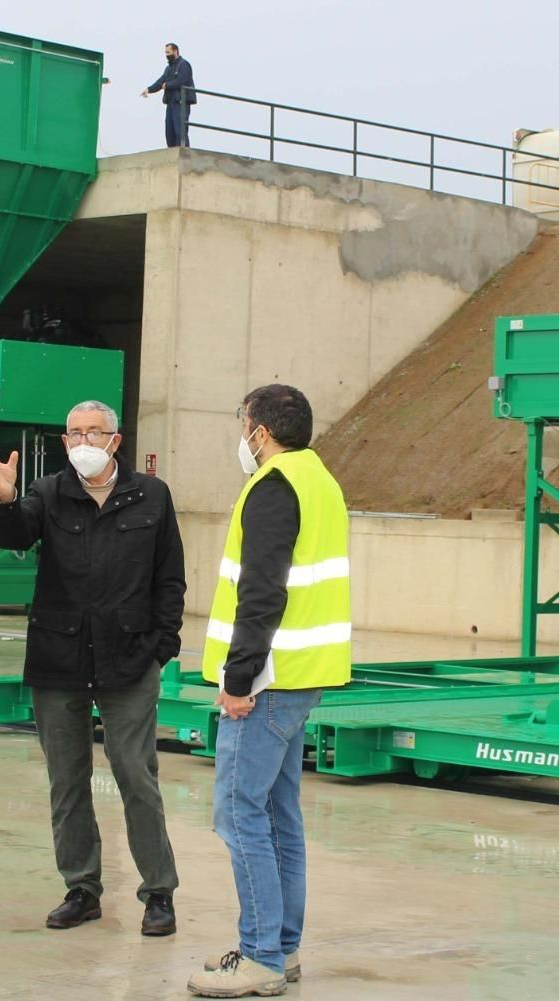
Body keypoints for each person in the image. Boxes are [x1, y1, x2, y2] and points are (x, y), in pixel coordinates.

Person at [0, 400, 185, 937]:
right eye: (74, 433)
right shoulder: (49, 493)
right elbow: (14, 535)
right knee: (66, 780)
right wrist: (3, 496)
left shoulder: (152, 495)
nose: (84, 441)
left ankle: (158, 892)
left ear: (116, 440)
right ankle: (81, 888)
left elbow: (171, 578)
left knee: (136, 775)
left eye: (95, 432)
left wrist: (162, 645)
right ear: (64, 442)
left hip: (129, 658)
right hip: (59, 659)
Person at [188, 385, 352, 999]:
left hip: (268, 681)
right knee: (279, 816)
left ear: (260, 430)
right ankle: (280, 947)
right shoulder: (320, 480)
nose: (242, 435)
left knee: (239, 813)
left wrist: (236, 682)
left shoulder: (273, 486)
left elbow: (261, 592)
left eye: (243, 423)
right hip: (301, 676)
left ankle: (259, 955)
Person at [141, 42, 196, 148]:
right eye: (165, 53)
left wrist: (168, 85)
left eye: (168, 52)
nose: (166, 55)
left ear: (175, 51)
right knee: (169, 131)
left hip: (180, 102)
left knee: (180, 130)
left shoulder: (184, 65)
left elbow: (182, 80)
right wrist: (149, 89)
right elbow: (161, 82)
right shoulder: (168, 68)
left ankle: (184, 151)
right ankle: (172, 152)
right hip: (170, 103)